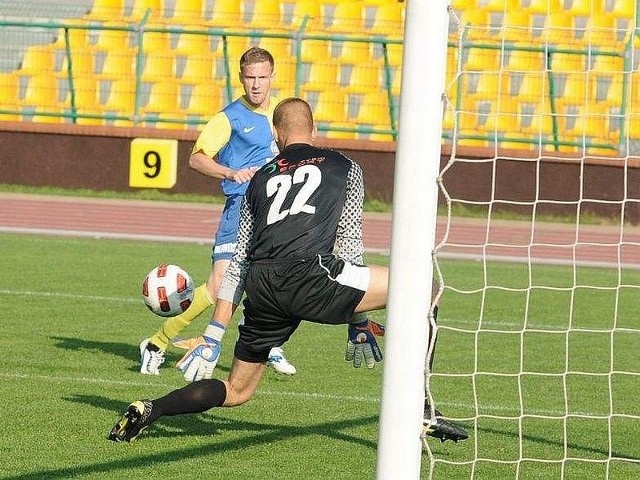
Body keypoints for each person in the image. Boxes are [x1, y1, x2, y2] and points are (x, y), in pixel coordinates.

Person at [110, 97, 468, 445]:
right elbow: (348, 245)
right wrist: (357, 320)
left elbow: (239, 263)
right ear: (313, 129)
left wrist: (213, 335)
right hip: (314, 275)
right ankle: (421, 408)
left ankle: (152, 408)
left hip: (264, 286)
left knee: (237, 390)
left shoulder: (256, 180)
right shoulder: (345, 167)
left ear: (276, 135)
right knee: (427, 290)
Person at [139, 47, 296, 376]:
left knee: (275, 278)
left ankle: (269, 345)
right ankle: (157, 342)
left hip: (273, 211)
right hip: (240, 210)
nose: (256, 85)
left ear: (272, 77)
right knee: (218, 287)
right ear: (240, 78)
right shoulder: (229, 119)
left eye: (262, 77)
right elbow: (197, 157)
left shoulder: (281, 115)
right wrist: (229, 172)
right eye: (250, 78)